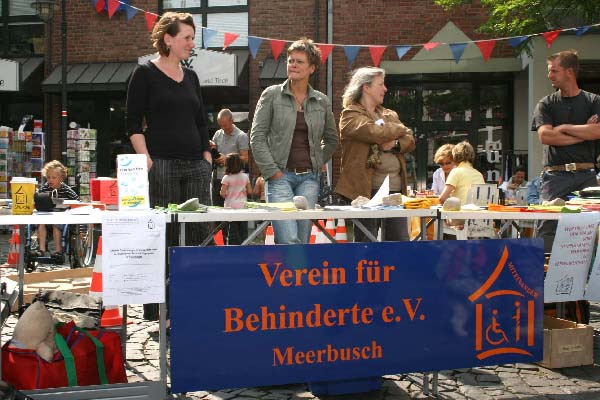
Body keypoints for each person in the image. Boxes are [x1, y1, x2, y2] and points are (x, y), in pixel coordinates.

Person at [126, 11, 212, 320]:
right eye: (187, 37)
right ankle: (161, 309)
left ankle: (195, 303)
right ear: (168, 39)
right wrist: (147, 159)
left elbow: (201, 121)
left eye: (192, 37)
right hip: (160, 165)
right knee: (162, 237)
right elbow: (132, 123)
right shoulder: (144, 74)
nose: (192, 43)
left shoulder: (191, 77)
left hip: (195, 166)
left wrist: (206, 156)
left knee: (198, 234)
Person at [250, 37, 338, 244]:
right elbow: (257, 137)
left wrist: (317, 162)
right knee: (288, 238)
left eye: (299, 61)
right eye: (290, 60)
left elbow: (332, 140)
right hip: (279, 176)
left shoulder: (321, 101)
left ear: (312, 68)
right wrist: (273, 171)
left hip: (309, 178)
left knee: (302, 237)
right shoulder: (271, 95)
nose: (293, 65)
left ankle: (299, 277)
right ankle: (288, 276)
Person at [335, 66, 415, 242]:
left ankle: (396, 271)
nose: (385, 89)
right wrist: (400, 128)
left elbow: (410, 140)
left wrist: (394, 144)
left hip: (395, 190)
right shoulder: (350, 114)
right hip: (366, 190)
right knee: (366, 243)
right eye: (381, 84)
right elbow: (374, 132)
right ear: (366, 87)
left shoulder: (388, 114)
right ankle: (367, 270)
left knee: (399, 242)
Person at [531, 49, 600, 252]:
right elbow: (546, 136)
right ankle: (541, 277)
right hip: (556, 175)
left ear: (569, 72)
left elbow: (597, 132)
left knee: (588, 227)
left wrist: (564, 128)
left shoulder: (593, 101)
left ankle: (587, 279)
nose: (549, 75)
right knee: (547, 226)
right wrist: (583, 131)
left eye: (554, 70)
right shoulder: (546, 104)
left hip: (586, 174)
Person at [33, 160, 79, 259]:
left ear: (61, 178)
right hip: (46, 218)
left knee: (56, 225)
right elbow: (36, 198)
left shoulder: (66, 190)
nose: (50, 180)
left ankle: (58, 251)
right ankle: (41, 249)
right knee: (40, 224)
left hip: (61, 220)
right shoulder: (44, 188)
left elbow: (77, 202)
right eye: (48, 177)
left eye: (54, 178)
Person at [210, 109, 249, 207]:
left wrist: (227, 159)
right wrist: (212, 149)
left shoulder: (241, 136)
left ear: (232, 120)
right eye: (220, 125)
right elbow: (214, 153)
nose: (223, 128)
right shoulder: (218, 133)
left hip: (234, 180)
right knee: (216, 210)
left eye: (225, 125)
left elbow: (245, 158)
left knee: (233, 212)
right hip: (217, 177)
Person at [219, 153, 252, 245]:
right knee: (244, 230)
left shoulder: (226, 178)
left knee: (232, 230)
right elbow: (249, 191)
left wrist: (227, 195)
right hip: (243, 207)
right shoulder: (245, 176)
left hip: (230, 207)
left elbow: (222, 193)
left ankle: (232, 247)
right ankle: (245, 246)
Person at [439, 141, 485, 205]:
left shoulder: (456, 171)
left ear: (454, 157)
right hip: (478, 213)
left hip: (460, 212)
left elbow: (442, 198)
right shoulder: (478, 174)